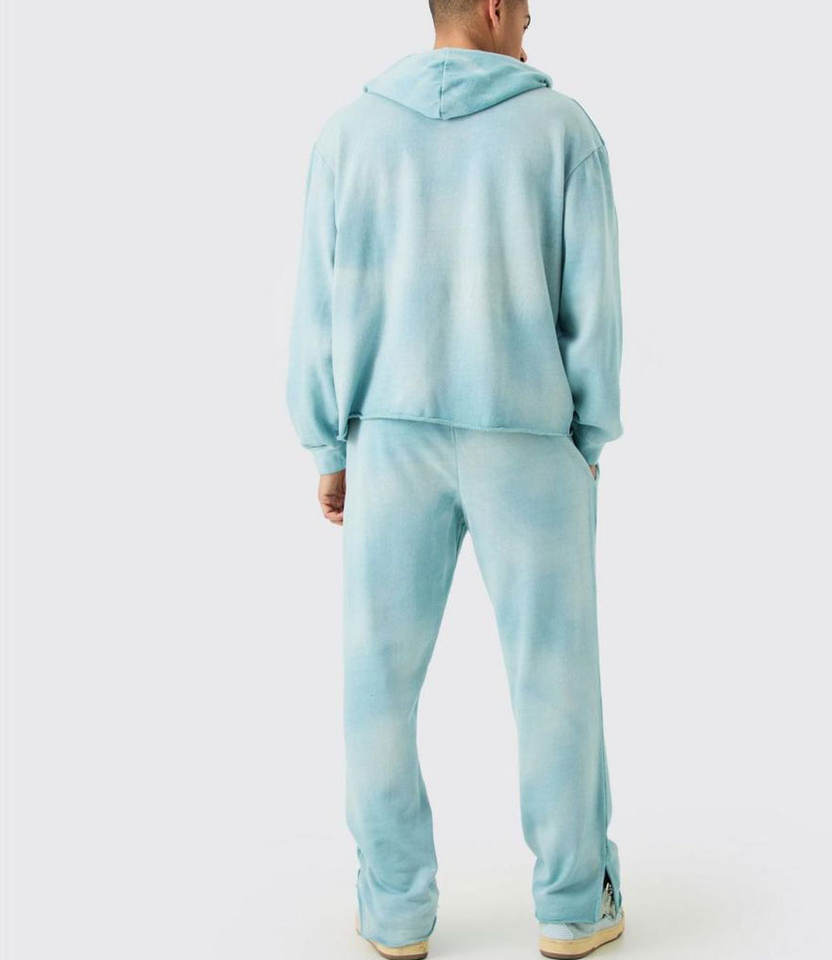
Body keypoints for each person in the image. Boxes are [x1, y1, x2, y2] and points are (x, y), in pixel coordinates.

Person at [286, 0, 624, 956]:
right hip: (529, 436)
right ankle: (573, 904)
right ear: (492, 5)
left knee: (378, 682)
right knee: (554, 674)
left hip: (389, 439)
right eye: (527, 11)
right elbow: (593, 305)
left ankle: (395, 910)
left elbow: (318, 306)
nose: (531, 27)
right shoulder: (562, 130)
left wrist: (329, 446)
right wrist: (586, 437)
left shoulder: (349, 135)